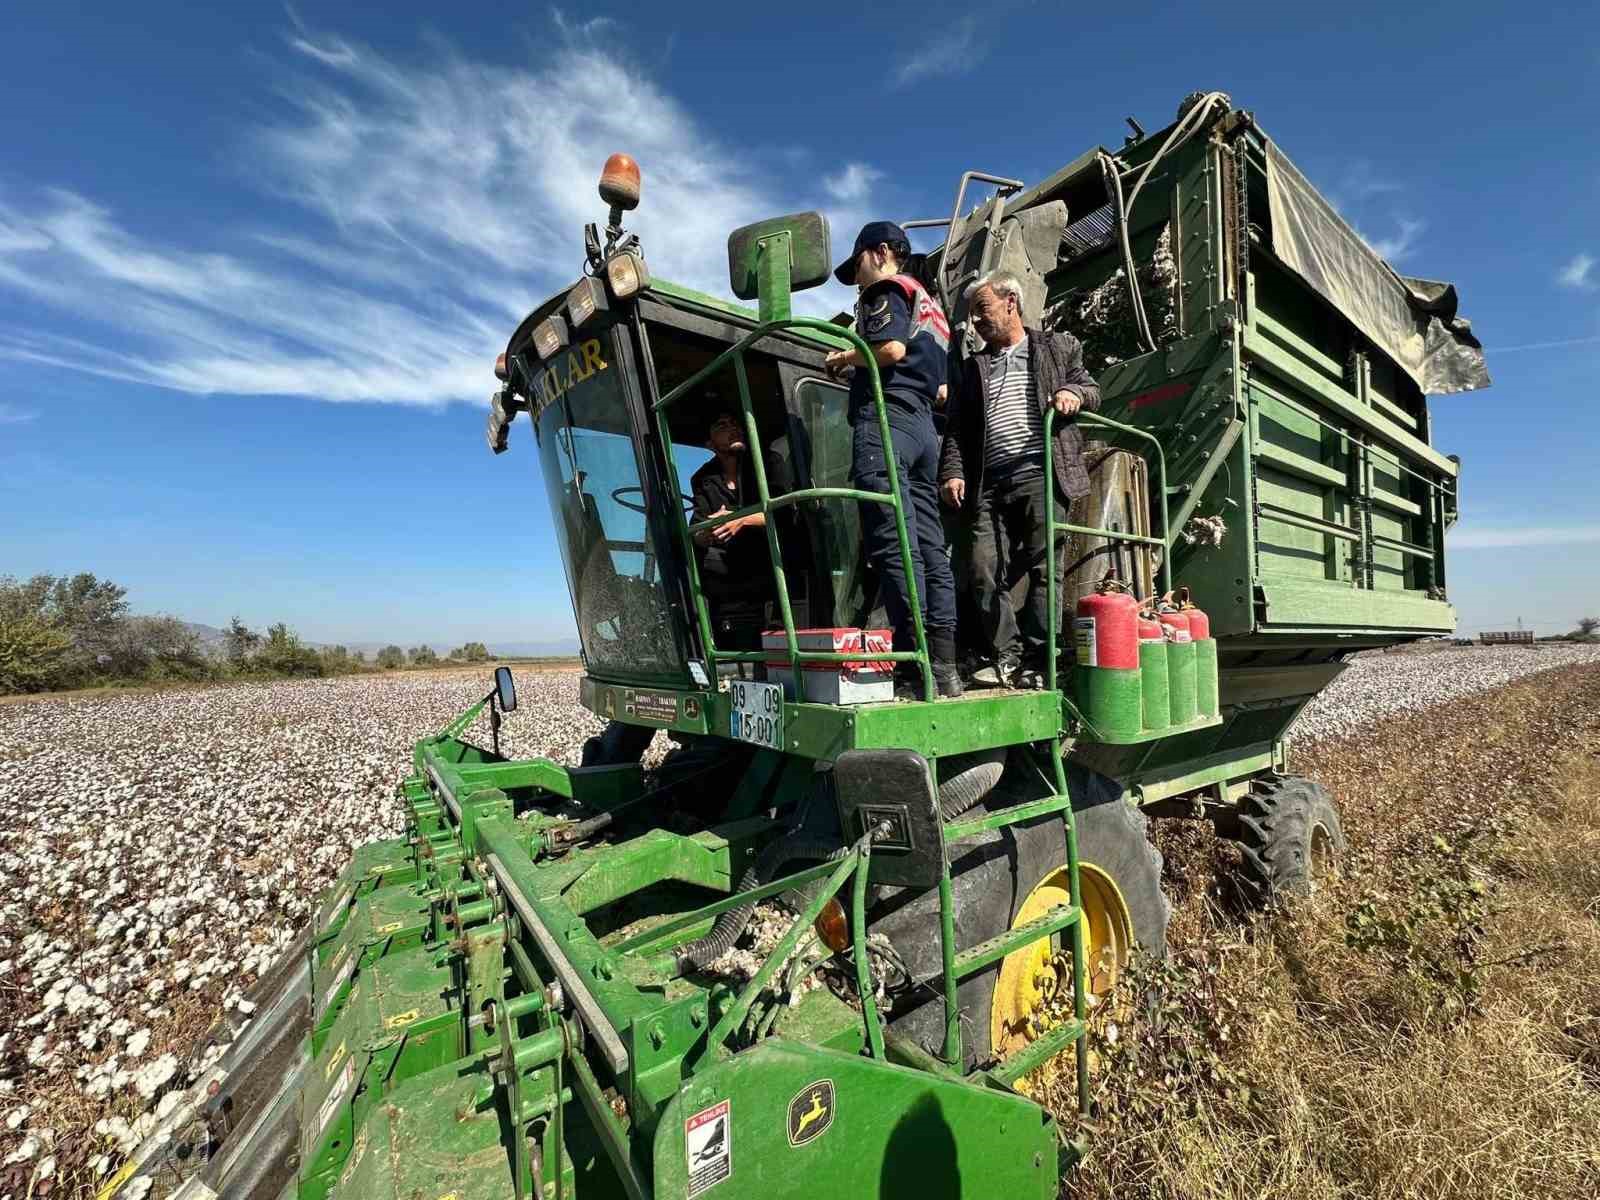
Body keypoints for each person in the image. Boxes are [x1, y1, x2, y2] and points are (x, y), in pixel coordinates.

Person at [938, 269, 1102, 688]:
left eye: (982, 309)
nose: (976, 321)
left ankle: (1038, 658)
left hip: (1039, 471)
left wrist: (1073, 394)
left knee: (1046, 567)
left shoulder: (1057, 346)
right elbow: (957, 428)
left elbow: (1091, 388)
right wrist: (954, 471)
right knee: (982, 568)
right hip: (987, 481)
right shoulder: (972, 367)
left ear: (1011, 302)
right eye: (973, 314)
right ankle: (1006, 655)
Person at [823, 221, 962, 699]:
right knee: (927, 546)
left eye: (857, 264)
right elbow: (942, 388)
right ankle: (944, 666)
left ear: (880, 253)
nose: (858, 278)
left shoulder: (885, 288)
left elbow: (890, 349)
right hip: (925, 429)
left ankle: (913, 663)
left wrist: (845, 356)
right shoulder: (932, 307)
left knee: (892, 542)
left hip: (887, 424)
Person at [689, 410, 792, 652]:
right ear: (709, 444)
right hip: (731, 558)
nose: (733, 427)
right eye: (722, 425)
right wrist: (706, 533)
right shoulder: (702, 478)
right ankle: (704, 647)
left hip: (770, 552)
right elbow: (699, 525)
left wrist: (740, 519)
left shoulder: (768, 461)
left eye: (735, 423)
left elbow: (786, 513)